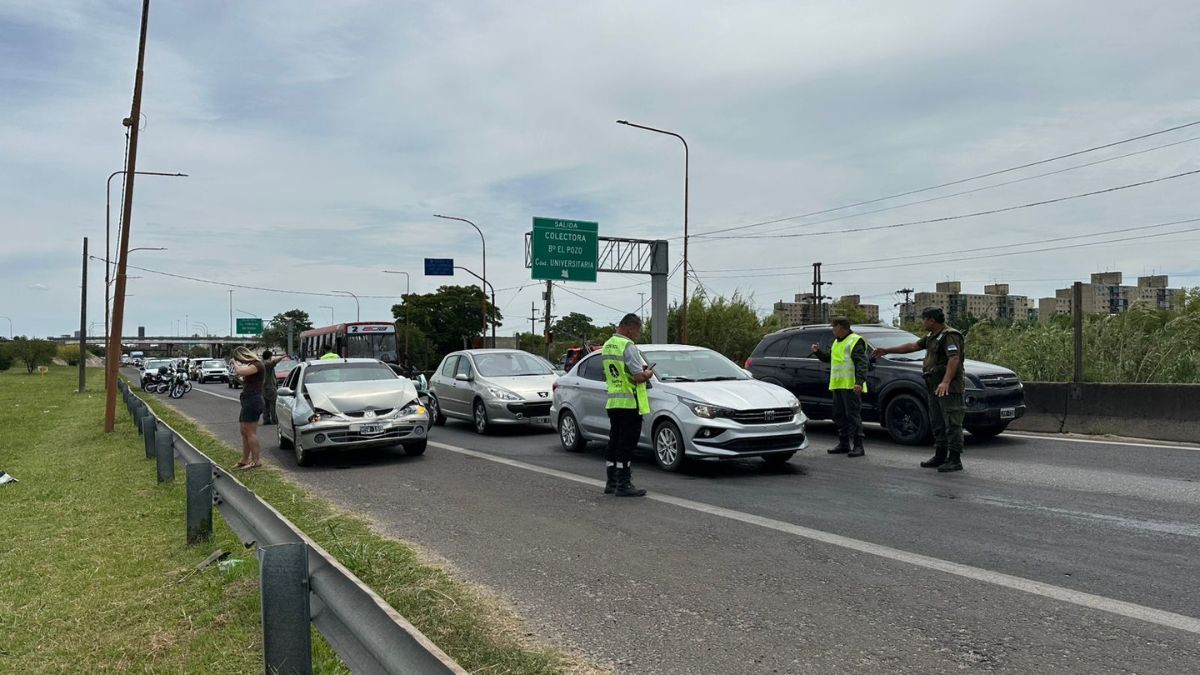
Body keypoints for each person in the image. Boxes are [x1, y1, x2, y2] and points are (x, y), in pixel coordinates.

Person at [872, 307, 966, 472]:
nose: (922, 323)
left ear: (931, 320)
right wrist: (887, 350)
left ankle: (954, 459)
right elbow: (912, 346)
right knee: (937, 421)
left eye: (924, 319)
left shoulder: (950, 335)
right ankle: (940, 455)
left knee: (952, 423)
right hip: (933, 385)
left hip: (949, 387)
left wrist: (946, 381)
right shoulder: (932, 336)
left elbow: (954, 359)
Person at [601, 313, 656, 497]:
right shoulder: (628, 346)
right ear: (630, 328)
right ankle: (624, 484)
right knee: (626, 444)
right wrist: (648, 373)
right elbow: (637, 376)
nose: (637, 335)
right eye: (637, 331)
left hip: (614, 401)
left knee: (614, 441)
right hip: (630, 403)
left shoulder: (608, 345)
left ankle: (611, 482)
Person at [810, 317, 869, 457]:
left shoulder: (855, 340)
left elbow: (862, 363)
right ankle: (844, 444)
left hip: (851, 385)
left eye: (834, 327)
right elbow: (829, 358)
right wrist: (817, 352)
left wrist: (859, 382)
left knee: (853, 416)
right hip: (838, 385)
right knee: (839, 415)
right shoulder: (837, 342)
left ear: (841, 327)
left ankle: (859, 446)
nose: (832, 329)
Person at [230, 347, 266, 470]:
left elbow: (240, 371)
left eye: (239, 359)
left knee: (250, 432)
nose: (241, 362)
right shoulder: (252, 365)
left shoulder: (257, 365)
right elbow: (245, 378)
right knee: (244, 431)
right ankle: (244, 459)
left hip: (253, 400)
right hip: (247, 399)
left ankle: (256, 460)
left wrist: (234, 363)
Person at [260, 350, 289, 426]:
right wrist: (283, 356)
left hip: (263, 387)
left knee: (266, 405)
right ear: (269, 356)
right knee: (273, 404)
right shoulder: (267, 364)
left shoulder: (261, 363)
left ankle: (266, 419)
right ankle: (274, 419)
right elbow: (274, 362)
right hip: (270, 386)